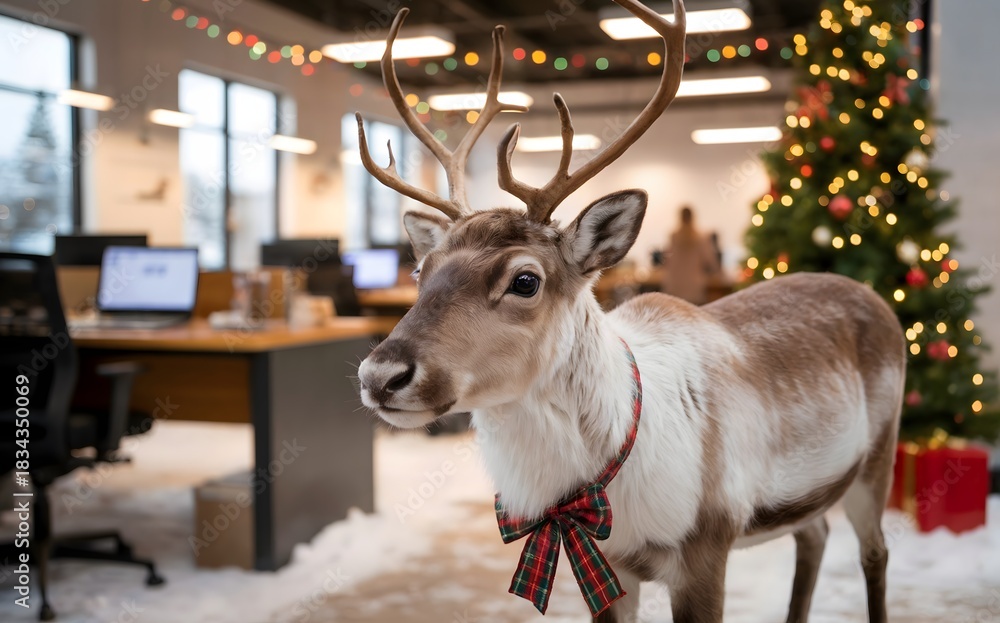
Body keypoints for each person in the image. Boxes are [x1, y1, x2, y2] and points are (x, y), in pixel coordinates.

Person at [662, 206, 721, 305]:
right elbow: (710, 262)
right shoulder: (701, 237)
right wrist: (717, 272)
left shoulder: (674, 236)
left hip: (674, 285)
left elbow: (667, 259)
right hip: (693, 287)